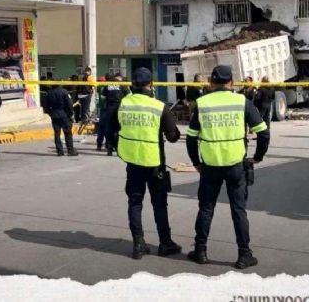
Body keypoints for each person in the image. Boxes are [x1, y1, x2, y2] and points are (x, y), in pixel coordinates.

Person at [185, 65, 270, 269]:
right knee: (238, 210)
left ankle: (201, 251)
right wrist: (256, 157)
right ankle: (244, 255)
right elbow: (263, 133)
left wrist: (196, 162)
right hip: (236, 166)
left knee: (206, 208)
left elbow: (190, 138)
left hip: (210, 166)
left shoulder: (202, 103)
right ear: (231, 83)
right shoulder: (243, 102)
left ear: (211, 83)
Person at [112, 67, 182, 259]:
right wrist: (175, 132)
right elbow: (173, 136)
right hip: (154, 163)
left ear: (131, 85)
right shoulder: (159, 106)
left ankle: (138, 244)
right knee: (159, 204)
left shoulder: (123, 104)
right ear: (150, 84)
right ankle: (165, 243)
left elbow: (111, 127)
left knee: (135, 202)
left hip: (132, 161)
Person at [44, 79, 79, 157]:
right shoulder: (64, 92)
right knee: (68, 133)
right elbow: (69, 104)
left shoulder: (48, 93)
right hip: (64, 115)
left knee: (57, 134)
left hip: (54, 115)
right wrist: (71, 114)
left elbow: (45, 106)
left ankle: (59, 151)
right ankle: (70, 151)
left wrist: (50, 113)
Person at [102, 73, 130, 156]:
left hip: (109, 108)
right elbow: (128, 95)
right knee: (118, 129)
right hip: (119, 108)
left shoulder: (108, 84)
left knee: (109, 128)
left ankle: (109, 149)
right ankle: (118, 149)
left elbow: (103, 97)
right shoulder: (121, 84)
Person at [95, 75, 109, 151]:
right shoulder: (108, 86)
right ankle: (107, 145)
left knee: (101, 128)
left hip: (103, 109)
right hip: (108, 109)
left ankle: (99, 145)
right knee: (108, 128)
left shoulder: (99, 87)